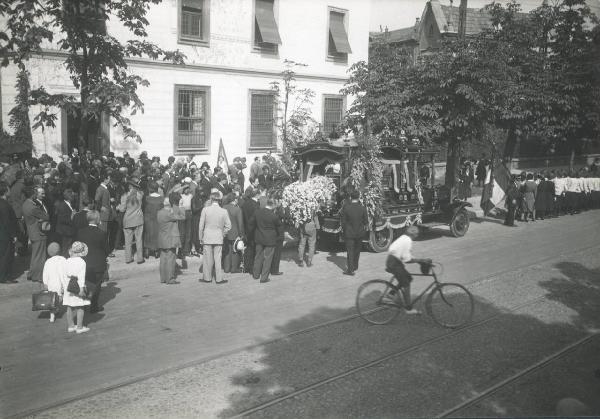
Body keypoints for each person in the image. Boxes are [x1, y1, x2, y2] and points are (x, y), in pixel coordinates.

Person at [385, 226, 431, 314]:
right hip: (394, 263)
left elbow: (407, 255)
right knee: (406, 284)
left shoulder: (404, 238)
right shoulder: (408, 240)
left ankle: (390, 295)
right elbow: (407, 259)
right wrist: (421, 261)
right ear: (412, 234)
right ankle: (408, 308)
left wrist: (419, 260)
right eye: (416, 234)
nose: (416, 236)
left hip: (393, 261)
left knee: (408, 278)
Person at [76, 210, 109, 313]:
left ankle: (84, 304)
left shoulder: (80, 232)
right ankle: (94, 306)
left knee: (85, 283)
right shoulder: (102, 233)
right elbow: (106, 250)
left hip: (83, 263)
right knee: (97, 286)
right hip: (98, 264)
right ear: (98, 220)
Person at [198, 190, 231, 284]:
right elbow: (229, 225)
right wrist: (223, 233)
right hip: (218, 236)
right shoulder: (223, 211)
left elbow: (201, 226)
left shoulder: (205, 210)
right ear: (219, 200)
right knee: (218, 258)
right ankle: (219, 279)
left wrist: (200, 237)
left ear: (211, 199)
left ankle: (207, 278)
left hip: (207, 236)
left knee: (207, 259)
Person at [250, 198, 282, 283]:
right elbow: (279, 226)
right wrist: (279, 236)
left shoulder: (257, 212)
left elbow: (251, 223)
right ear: (273, 205)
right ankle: (264, 277)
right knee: (267, 258)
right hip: (270, 239)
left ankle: (256, 274)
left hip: (259, 237)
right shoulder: (274, 216)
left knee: (258, 256)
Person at [157, 192, 186, 284]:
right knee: (171, 259)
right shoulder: (169, 214)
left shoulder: (160, 212)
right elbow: (182, 216)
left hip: (162, 238)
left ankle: (163, 278)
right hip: (170, 239)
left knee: (163, 259)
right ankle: (170, 278)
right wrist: (181, 206)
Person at [22, 186, 50, 283]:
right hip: (38, 233)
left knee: (35, 255)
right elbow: (46, 216)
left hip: (32, 232)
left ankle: (31, 273)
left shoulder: (25, 204)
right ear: (32, 194)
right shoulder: (33, 207)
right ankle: (37, 276)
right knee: (40, 256)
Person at [63, 241, 90, 333]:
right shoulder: (82, 262)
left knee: (69, 306)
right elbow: (81, 277)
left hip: (68, 286)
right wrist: (82, 288)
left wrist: (64, 286)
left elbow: (64, 275)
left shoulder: (66, 261)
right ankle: (79, 327)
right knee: (80, 306)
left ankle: (71, 326)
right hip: (77, 286)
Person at [341, 190, 368, 276]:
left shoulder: (346, 207)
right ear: (358, 197)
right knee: (357, 250)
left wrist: (345, 230)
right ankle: (355, 266)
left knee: (350, 251)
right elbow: (366, 221)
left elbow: (343, 222)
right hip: (360, 233)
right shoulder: (363, 208)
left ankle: (350, 270)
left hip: (349, 233)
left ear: (350, 197)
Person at [42, 242, 66, 322]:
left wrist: (45, 283)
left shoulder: (48, 261)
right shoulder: (63, 259)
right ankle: (56, 309)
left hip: (51, 284)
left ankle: (52, 315)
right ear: (59, 250)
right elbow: (66, 271)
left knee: (52, 299)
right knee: (59, 298)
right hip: (61, 283)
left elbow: (45, 274)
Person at [122, 178, 144, 264]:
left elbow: (122, 209)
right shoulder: (140, 195)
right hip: (138, 219)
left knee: (127, 241)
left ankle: (128, 258)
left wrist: (118, 207)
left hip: (127, 220)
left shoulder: (125, 196)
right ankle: (140, 258)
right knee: (139, 239)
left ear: (129, 186)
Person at [222, 193, 244, 274]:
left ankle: (226, 268)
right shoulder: (237, 209)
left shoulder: (223, 208)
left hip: (225, 232)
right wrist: (241, 234)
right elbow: (240, 223)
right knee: (235, 251)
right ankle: (234, 268)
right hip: (235, 232)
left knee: (227, 250)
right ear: (234, 200)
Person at [0, 182, 18, 283]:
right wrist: (13, 235)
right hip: (5, 235)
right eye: (8, 189)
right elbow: (8, 222)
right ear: (5, 191)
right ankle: (4, 277)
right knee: (6, 256)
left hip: (2, 234)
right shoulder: (5, 205)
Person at [241, 188, 260, 273]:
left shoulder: (245, 204)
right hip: (254, 230)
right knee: (253, 249)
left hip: (246, 229)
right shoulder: (256, 205)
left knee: (248, 249)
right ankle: (252, 268)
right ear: (257, 195)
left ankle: (247, 267)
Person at [143, 181, 163, 259]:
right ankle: (156, 251)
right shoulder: (161, 198)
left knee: (148, 234)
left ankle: (147, 251)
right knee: (157, 234)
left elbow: (144, 208)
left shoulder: (147, 198)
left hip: (148, 218)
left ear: (150, 189)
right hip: (157, 218)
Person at [53, 188, 76, 256]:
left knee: (67, 249)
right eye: (73, 196)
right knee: (65, 250)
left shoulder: (68, 204)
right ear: (70, 196)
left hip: (67, 231)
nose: (74, 197)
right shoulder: (63, 206)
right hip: (65, 232)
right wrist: (72, 216)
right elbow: (62, 219)